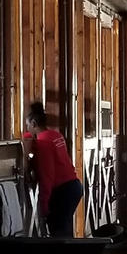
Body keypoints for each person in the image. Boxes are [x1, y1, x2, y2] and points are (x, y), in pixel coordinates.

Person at [22, 101, 83, 237]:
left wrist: (44, 205)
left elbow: (47, 175)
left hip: (62, 191)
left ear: (33, 123)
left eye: (27, 126)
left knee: (58, 231)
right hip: (74, 186)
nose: (27, 129)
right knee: (65, 227)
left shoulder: (43, 144)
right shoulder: (56, 136)